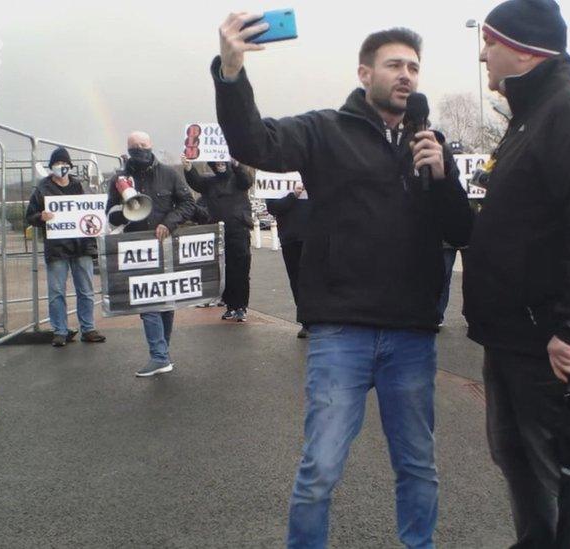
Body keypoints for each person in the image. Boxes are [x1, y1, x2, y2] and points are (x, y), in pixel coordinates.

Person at [214, 18, 472, 548]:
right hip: (341, 333)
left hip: (411, 334)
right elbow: (254, 141)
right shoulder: (323, 130)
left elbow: (461, 231)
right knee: (320, 471)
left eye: (414, 68)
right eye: (395, 65)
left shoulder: (430, 144)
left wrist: (443, 177)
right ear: (364, 72)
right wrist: (232, 70)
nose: (407, 76)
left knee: (418, 467)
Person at [461, 1, 570, 547]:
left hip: (556, 346)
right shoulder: (531, 116)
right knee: (522, 465)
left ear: (521, 46)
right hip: (517, 338)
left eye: (488, 40)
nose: (482, 52)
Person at [106, 132, 195, 377]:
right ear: (128, 148)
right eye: (134, 147)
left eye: (143, 145)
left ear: (151, 145)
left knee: (165, 302)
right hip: (138, 249)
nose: (139, 149)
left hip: (164, 246)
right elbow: (110, 214)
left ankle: (162, 355)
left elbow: (188, 203)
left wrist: (169, 223)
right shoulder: (120, 178)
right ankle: (159, 356)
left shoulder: (169, 174)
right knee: (148, 302)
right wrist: (127, 209)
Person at [25, 147, 106, 347]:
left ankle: (88, 329)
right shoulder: (41, 189)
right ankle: (60, 331)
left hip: (82, 247)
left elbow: (95, 210)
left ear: (70, 166)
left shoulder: (81, 187)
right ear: (51, 167)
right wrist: (40, 217)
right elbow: (30, 216)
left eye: (64, 164)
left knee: (86, 290)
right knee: (56, 292)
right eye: (57, 164)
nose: (61, 167)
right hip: (57, 248)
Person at [182, 156, 254, 322]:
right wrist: (188, 167)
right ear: (212, 165)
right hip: (219, 231)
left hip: (238, 230)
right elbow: (196, 182)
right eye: (216, 163)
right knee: (224, 270)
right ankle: (230, 305)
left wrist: (236, 163)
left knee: (241, 270)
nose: (220, 165)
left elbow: (246, 179)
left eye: (223, 162)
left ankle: (241, 306)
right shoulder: (209, 183)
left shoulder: (238, 179)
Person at [266, 181, 311, 338]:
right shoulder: (274, 181)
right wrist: (293, 196)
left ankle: (321, 319)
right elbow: (272, 208)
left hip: (313, 235)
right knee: (297, 280)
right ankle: (306, 321)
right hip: (290, 237)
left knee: (315, 278)